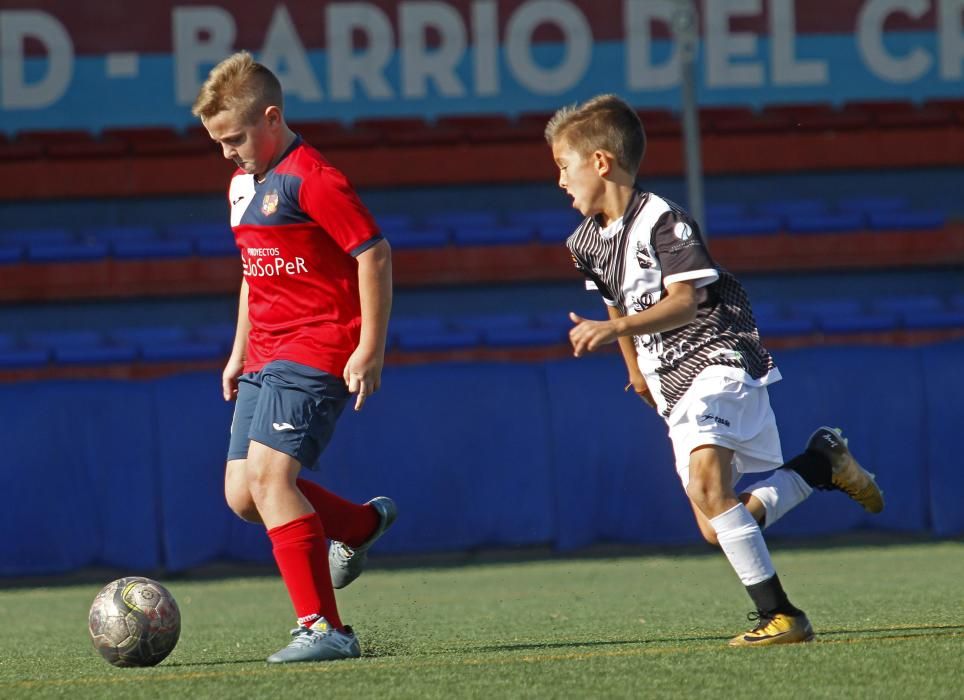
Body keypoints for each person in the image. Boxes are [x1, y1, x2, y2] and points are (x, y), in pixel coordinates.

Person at [545, 94, 884, 646]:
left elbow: (685, 301)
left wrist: (613, 333)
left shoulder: (664, 219)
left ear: (601, 162)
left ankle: (783, 616)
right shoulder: (583, 242)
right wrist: (635, 373)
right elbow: (615, 302)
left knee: (707, 488)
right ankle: (820, 464)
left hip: (716, 353)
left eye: (564, 165)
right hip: (669, 379)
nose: (560, 181)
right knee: (714, 522)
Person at [192, 51, 397, 663]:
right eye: (218, 142)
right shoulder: (240, 185)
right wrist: (237, 352)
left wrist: (370, 348)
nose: (227, 152)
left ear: (271, 118)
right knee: (241, 495)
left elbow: (375, 255)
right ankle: (358, 526)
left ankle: (324, 629)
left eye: (233, 139)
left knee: (271, 479)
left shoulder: (314, 178)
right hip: (264, 352)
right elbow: (255, 271)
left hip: (319, 344)